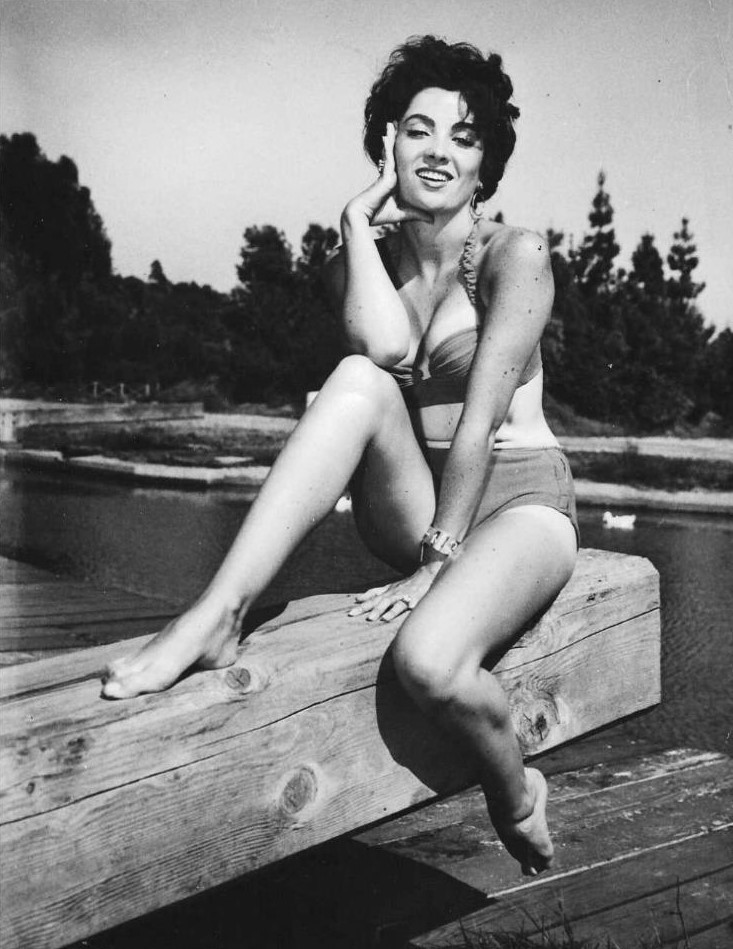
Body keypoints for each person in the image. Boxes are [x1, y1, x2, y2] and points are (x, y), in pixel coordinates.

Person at [102, 36, 579, 877]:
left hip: (518, 507)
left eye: (463, 136)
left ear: (486, 165)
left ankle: (514, 792)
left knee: (428, 661)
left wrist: (434, 566)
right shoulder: (358, 261)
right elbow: (382, 352)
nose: (438, 151)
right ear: (387, 142)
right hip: (422, 502)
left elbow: (477, 424)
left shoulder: (516, 257)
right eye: (417, 130)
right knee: (353, 381)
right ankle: (216, 615)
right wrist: (358, 222)